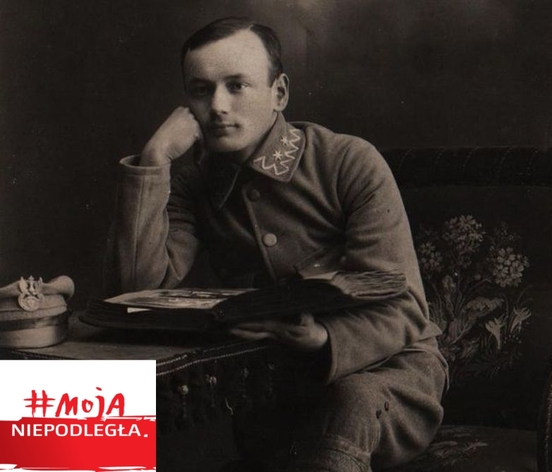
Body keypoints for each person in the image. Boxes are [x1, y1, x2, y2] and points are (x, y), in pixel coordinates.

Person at [104, 16, 448, 472]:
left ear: (279, 93)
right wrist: (153, 163)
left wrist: (324, 337)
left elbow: (403, 306)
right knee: (83, 418)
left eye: (237, 86)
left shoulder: (348, 161)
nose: (218, 106)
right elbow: (136, 294)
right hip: (275, 389)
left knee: (348, 402)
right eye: (201, 90)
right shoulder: (193, 185)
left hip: (388, 376)